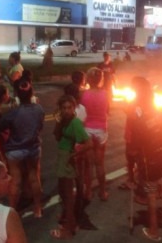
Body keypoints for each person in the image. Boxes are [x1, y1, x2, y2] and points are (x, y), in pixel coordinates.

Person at [125, 77, 162, 242]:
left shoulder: (137, 118)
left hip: (150, 161)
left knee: (151, 193)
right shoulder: (159, 112)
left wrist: (131, 173)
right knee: (153, 187)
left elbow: (133, 148)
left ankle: (154, 230)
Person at [0, 81, 45, 218]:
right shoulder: (39, 109)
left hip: (15, 150)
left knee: (16, 181)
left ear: (17, 95)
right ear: (32, 94)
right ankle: (38, 209)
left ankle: (12, 213)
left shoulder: (14, 112)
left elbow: (1, 126)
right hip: (33, 147)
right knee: (34, 178)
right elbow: (39, 127)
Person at [50, 95, 93, 239]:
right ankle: (70, 221)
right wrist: (58, 121)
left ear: (74, 108)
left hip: (66, 158)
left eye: (69, 107)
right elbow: (56, 137)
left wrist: (74, 155)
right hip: (62, 158)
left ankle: (69, 229)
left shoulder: (75, 123)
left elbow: (88, 143)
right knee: (63, 194)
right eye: (64, 108)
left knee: (68, 197)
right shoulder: (63, 121)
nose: (66, 110)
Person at [80, 67, 109, 201]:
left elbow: (82, 112)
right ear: (100, 79)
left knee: (88, 164)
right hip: (101, 130)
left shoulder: (84, 94)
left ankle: (89, 192)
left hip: (87, 130)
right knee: (99, 163)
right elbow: (107, 110)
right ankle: (102, 192)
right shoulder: (106, 94)